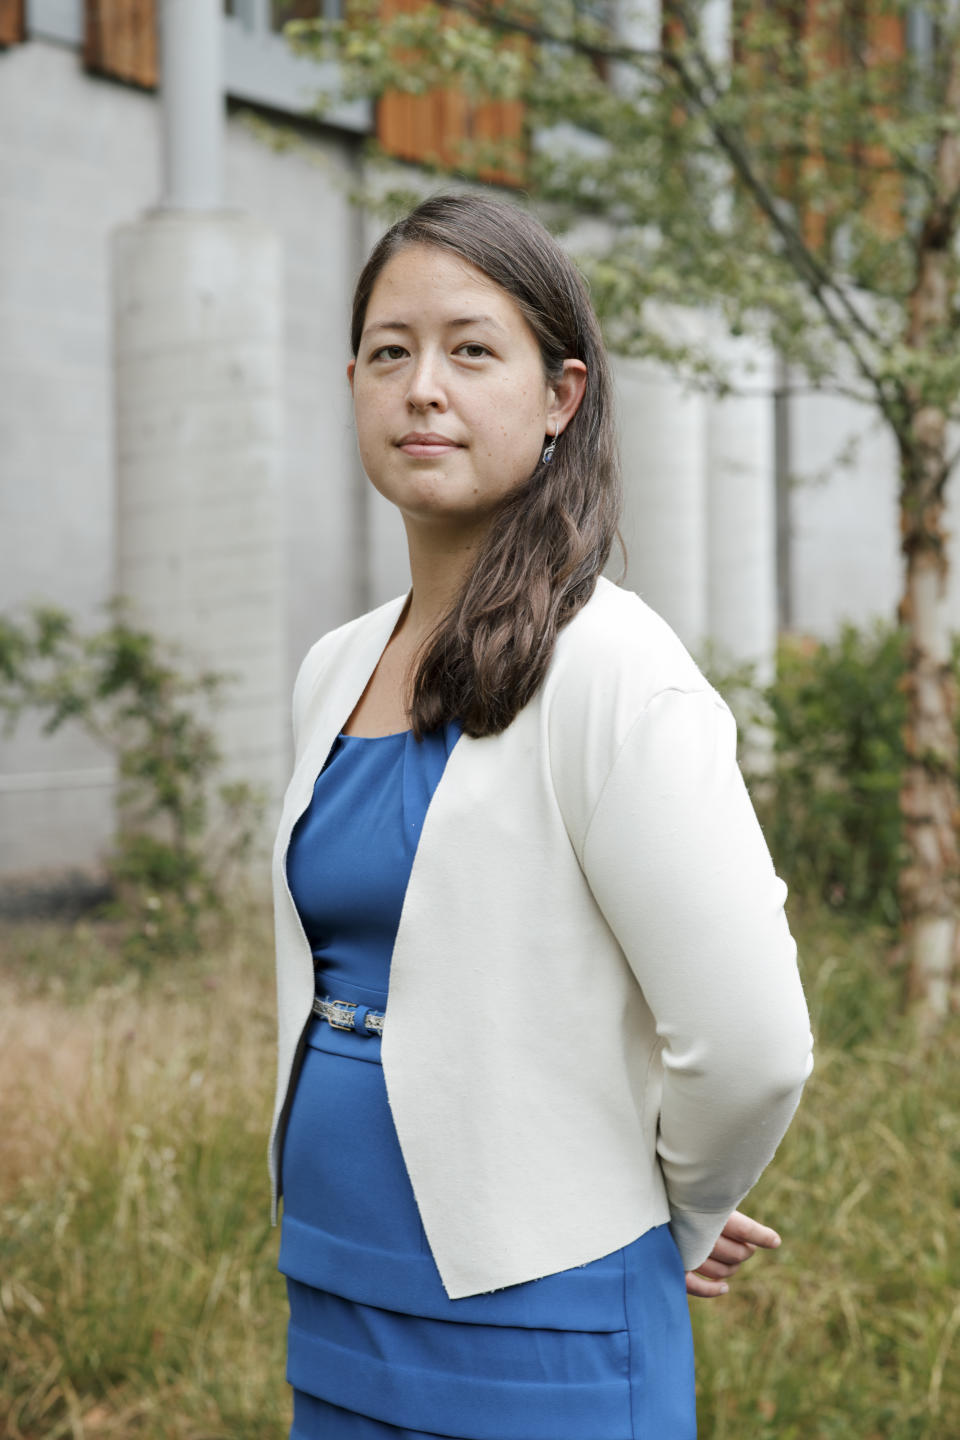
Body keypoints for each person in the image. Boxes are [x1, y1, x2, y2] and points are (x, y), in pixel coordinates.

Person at [269, 192, 813, 1440]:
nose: (423, 388)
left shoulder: (615, 669)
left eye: (472, 349)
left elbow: (752, 1040)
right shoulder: (333, 668)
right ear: (351, 377)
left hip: (541, 1317)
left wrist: (652, 1210)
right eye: (391, 351)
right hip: (338, 1284)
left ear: (560, 395)